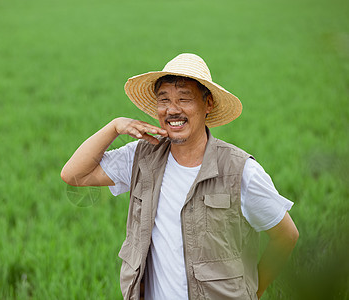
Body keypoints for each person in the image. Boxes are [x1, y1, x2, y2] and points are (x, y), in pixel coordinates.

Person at [61, 53, 299, 299]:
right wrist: (114, 126)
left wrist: (254, 292)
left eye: (184, 99)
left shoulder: (240, 171)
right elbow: (75, 174)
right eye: (164, 100)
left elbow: (286, 236)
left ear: (208, 105)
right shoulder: (142, 157)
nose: (172, 110)